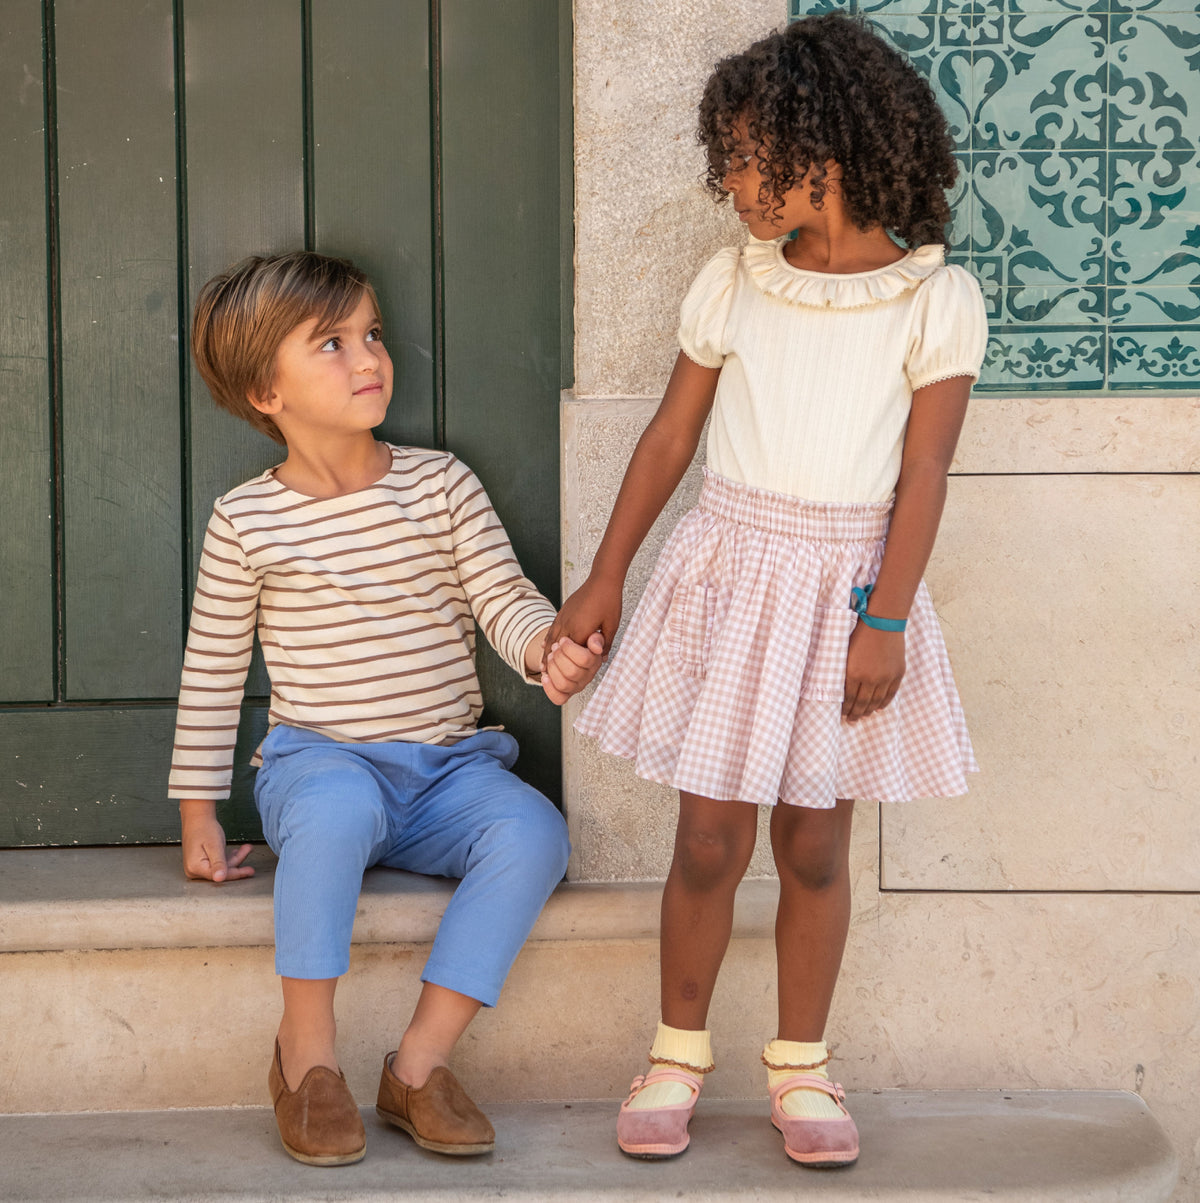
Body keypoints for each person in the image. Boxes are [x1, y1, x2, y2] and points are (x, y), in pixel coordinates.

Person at [548, 12, 987, 1167]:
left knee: (816, 844)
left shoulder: (933, 302)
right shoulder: (731, 285)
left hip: (846, 596)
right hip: (731, 577)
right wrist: (606, 575)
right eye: (729, 157)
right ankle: (675, 1054)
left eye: (752, 157)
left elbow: (925, 472)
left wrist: (885, 618)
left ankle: (802, 1069)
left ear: (828, 150)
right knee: (705, 838)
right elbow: (666, 440)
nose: (733, 182)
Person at [168, 250, 603, 1167]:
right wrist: (199, 811)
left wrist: (544, 649)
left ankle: (417, 1064)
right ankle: (309, 1062)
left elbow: (503, 597)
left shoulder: (440, 485)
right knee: (330, 813)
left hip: (449, 771)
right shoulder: (246, 520)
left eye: (369, 333)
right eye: (330, 343)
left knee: (535, 835)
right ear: (265, 390)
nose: (367, 356)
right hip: (321, 762)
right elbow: (211, 668)